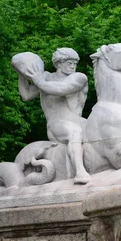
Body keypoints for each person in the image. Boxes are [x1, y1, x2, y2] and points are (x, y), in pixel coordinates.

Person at [18, 48, 90, 184]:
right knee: (75, 132)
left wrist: (38, 81)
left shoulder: (79, 78)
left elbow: (59, 89)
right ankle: (80, 172)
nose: (73, 66)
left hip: (79, 121)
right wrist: (21, 73)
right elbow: (26, 95)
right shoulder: (45, 77)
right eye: (69, 62)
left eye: (75, 62)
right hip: (57, 124)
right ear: (58, 64)